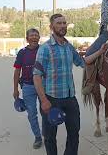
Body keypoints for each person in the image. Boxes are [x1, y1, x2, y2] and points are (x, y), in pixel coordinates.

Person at [33, 14, 84, 155]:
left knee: (74, 133)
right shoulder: (45, 49)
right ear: (51, 27)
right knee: (50, 137)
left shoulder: (69, 47)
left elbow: (82, 62)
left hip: (70, 98)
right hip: (51, 99)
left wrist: (101, 51)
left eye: (64, 23)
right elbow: (36, 76)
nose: (62, 26)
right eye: (59, 23)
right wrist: (43, 100)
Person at [13, 28, 42, 149]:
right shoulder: (22, 52)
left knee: (46, 111)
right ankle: (38, 137)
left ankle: (48, 134)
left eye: (36, 35)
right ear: (27, 38)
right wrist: (15, 89)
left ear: (39, 38)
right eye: (32, 35)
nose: (34, 37)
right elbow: (17, 71)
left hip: (43, 86)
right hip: (28, 87)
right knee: (32, 114)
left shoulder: (44, 49)